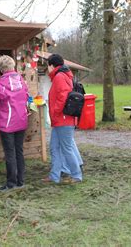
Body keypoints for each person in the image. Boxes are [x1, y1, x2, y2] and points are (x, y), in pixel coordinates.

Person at [0, 55, 29, 191]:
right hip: (21, 120)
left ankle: (11, 183)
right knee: (19, 151)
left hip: (7, 123)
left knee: (10, 153)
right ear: (13, 66)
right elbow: (26, 96)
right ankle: (20, 181)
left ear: (0, 69)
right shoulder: (21, 80)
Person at [42, 54, 83, 184]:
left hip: (63, 119)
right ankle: (55, 176)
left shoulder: (59, 77)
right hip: (60, 120)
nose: (47, 68)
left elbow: (62, 97)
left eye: (47, 65)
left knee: (66, 148)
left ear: (51, 65)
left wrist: (54, 112)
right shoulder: (62, 75)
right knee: (54, 147)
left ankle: (76, 175)